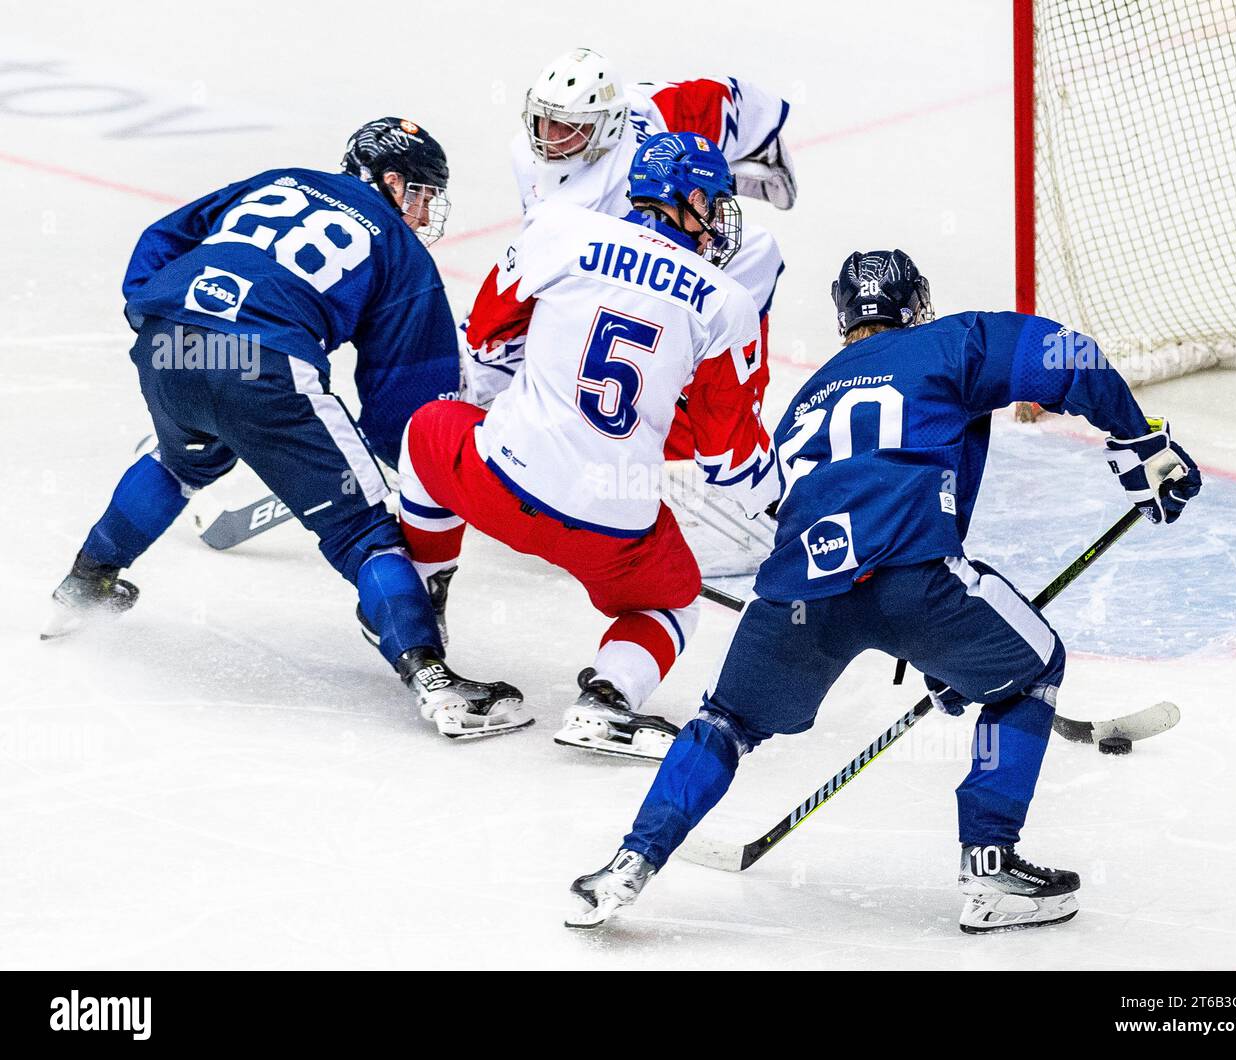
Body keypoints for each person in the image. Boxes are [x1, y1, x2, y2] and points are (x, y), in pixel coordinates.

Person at [567, 249, 1202, 931]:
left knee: (725, 722)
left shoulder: (806, 400)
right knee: (1033, 670)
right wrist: (1140, 442)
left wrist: (942, 653)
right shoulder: (949, 343)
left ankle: (628, 863)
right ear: (916, 305)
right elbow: (1068, 355)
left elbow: (829, 515)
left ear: (846, 318)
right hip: (916, 580)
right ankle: (991, 866)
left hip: (795, 597)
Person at [43, 117, 516, 730]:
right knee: (363, 533)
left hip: (170, 342)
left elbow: (165, 235)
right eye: (421, 196)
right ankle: (432, 678)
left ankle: (85, 583)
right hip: (266, 366)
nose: (424, 215)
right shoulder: (398, 248)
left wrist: (155, 314)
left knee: (182, 460)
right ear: (393, 182)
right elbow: (406, 390)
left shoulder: (280, 179)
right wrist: (420, 467)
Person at [396, 132, 777, 754]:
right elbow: (728, 455)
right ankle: (607, 702)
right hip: (611, 528)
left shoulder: (558, 230)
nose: (717, 218)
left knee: (428, 430)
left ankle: (424, 595)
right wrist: (783, 506)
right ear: (687, 197)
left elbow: (487, 338)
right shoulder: (728, 302)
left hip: (498, 482)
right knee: (675, 604)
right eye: (712, 200)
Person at [466, 47, 791, 465]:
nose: (549, 137)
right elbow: (708, 99)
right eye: (543, 119)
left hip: (611, 278)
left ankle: (732, 413)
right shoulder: (604, 120)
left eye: (568, 127)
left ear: (607, 127)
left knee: (756, 253)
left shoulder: (612, 186)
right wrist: (763, 135)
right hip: (596, 271)